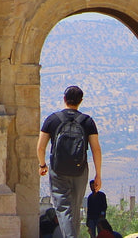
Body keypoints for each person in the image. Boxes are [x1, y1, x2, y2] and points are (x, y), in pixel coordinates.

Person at [38, 85, 102, 238]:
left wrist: (42, 165)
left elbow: (40, 147)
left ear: (64, 99)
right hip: (80, 170)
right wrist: (98, 175)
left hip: (58, 170)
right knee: (74, 208)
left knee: (63, 208)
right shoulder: (87, 121)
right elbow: (96, 149)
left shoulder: (52, 119)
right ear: (81, 101)